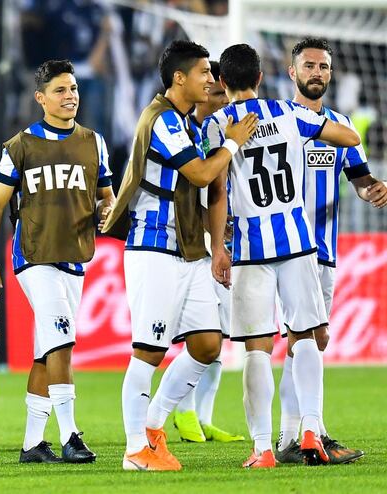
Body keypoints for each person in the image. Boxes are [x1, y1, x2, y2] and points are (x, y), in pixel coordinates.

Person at [100, 40, 258, 471]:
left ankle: (153, 427)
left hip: (186, 251)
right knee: (148, 351)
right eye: (205, 72)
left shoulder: (186, 123)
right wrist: (231, 143)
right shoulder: (163, 120)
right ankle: (136, 449)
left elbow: (202, 196)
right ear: (179, 78)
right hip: (154, 249)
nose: (212, 79)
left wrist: (217, 245)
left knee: (207, 344)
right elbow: (202, 174)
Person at [202, 43, 360, 468]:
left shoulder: (216, 125)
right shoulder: (288, 113)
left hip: (251, 251)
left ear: (221, 82)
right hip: (297, 242)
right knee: (306, 336)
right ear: (259, 78)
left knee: (256, 349)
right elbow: (351, 137)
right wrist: (316, 126)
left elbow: (216, 191)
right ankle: (310, 430)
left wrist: (218, 247)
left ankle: (263, 449)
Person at [0, 59, 113, 464]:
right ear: (40, 98)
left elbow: (107, 197)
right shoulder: (20, 146)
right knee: (61, 338)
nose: (70, 95)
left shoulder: (94, 142)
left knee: (45, 349)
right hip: (34, 256)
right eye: (59, 90)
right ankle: (71, 433)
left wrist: (106, 211)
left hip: (75, 257)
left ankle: (32, 444)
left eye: (72, 88)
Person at [275, 37, 384, 465]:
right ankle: (303, 433)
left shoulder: (340, 127)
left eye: (323, 66)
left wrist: (372, 189)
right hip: (282, 248)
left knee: (306, 343)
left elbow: (359, 178)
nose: (317, 72)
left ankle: (296, 434)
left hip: (324, 250)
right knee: (306, 338)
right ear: (292, 72)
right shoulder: (279, 121)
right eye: (309, 66)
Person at [172, 60, 245, 444]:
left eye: (225, 93)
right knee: (205, 334)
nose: (222, 100)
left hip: (223, 241)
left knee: (221, 335)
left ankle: (202, 416)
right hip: (193, 245)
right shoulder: (189, 134)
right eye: (217, 93)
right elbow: (195, 188)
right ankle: (182, 412)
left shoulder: (221, 132)